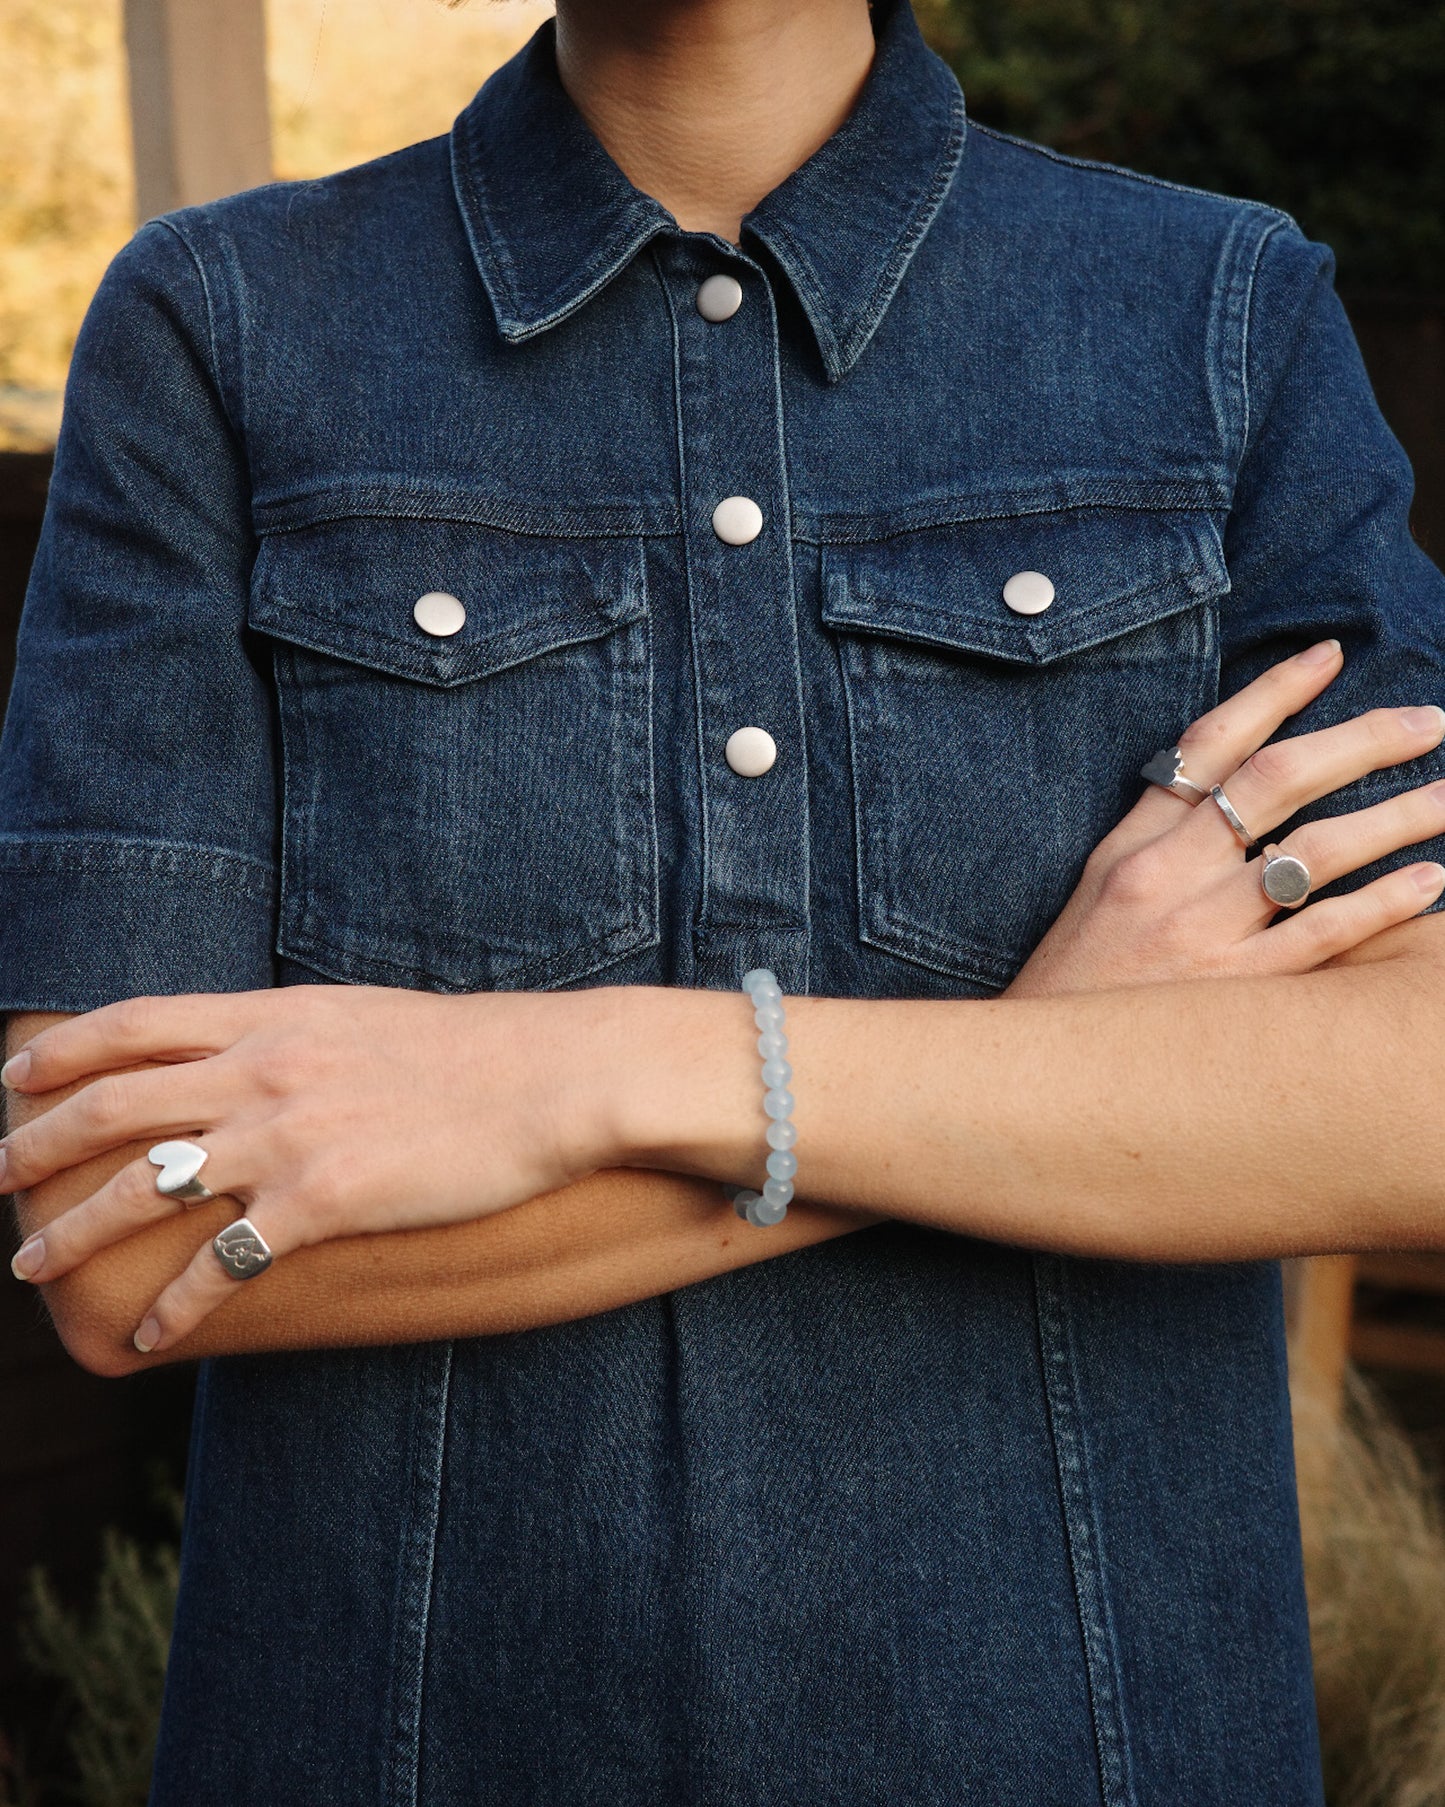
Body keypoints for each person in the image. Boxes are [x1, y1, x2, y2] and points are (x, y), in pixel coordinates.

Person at [3, 0, 1445, 1798]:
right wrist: (1037, 1067)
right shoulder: (220, 328)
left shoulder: (1220, 315)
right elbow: (119, 1233)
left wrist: (593, 1077)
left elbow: (1409, 1099)